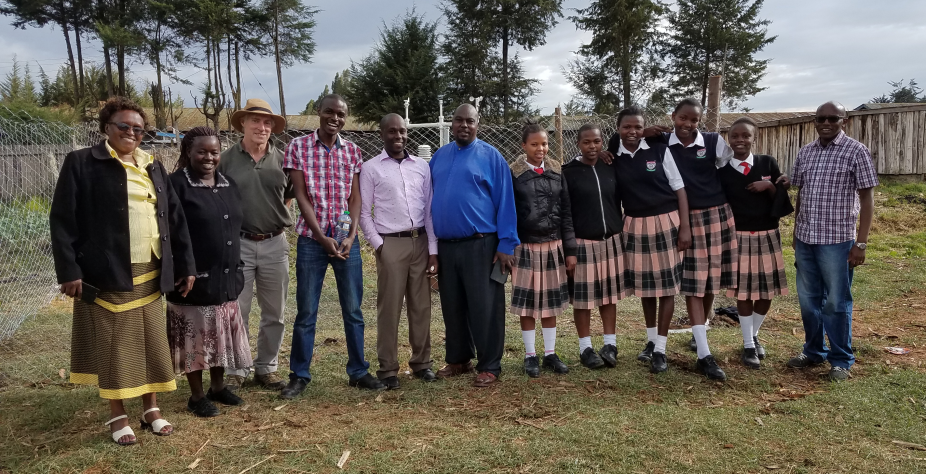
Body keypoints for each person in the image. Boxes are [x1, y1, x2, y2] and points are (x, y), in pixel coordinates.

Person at [50, 96, 195, 445]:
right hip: (107, 269)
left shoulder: (153, 165)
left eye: (138, 129)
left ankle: (151, 409)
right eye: (124, 126)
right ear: (106, 128)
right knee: (115, 343)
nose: (132, 133)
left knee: (150, 342)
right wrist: (69, 270)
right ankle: (117, 413)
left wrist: (185, 264)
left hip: (151, 269)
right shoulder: (82, 162)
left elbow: (174, 218)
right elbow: (62, 220)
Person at [281, 94, 384, 399]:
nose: (335, 118)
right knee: (307, 311)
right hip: (312, 241)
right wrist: (321, 236)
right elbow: (300, 196)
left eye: (341, 115)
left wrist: (351, 236)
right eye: (330, 112)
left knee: (353, 310)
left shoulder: (352, 151)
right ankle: (299, 374)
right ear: (318, 112)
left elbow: (355, 198)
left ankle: (358, 371)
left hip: (345, 243)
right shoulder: (298, 147)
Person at [787, 101, 878, 382]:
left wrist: (860, 243)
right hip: (806, 238)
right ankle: (813, 350)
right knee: (808, 300)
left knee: (836, 302)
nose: (826, 123)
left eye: (832, 118)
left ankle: (840, 360)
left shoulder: (856, 151)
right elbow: (801, 192)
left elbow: (867, 199)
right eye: (820, 118)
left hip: (837, 241)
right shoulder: (806, 152)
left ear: (844, 121)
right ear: (815, 121)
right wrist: (795, 231)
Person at [430, 103, 519, 387]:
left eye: (470, 121)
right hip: (447, 245)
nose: (463, 126)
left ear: (477, 124)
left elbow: (506, 201)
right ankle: (459, 359)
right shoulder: (439, 156)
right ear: (451, 124)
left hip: (482, 244)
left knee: (485, 306)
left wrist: (506, 243)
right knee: (452, 304)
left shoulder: (491, 157)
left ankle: (490, 364)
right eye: (459, 121)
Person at [167, 126, 253, 416]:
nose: (208, 157)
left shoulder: (228, 183)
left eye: (214, 152)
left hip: (226, 275)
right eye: (201, 151)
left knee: (219, 336)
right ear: (188, 152)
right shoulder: (176, 184)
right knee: (196, 339)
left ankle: (218, 387)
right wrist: (184, 267)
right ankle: (196, 395)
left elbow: (235, 226)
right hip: (192, 279)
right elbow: (171, 232)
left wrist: (237, 265)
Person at [608, 107, 691, 374]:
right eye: (626, 127)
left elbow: (679, 188)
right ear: (618, 129)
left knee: (667, 288)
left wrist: (685, 227)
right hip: (634, 225)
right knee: (646, 288)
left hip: (665, 221)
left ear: (643, 129)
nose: (632, 132)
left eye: (637, 127)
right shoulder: (613, 156)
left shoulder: (658, 150)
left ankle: (661, 349)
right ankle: (652, 339)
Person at [359, 113, 438, 389]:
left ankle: (422, 363)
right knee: (389, 308)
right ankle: (388, 368)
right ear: (382, 134)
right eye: (392, 131)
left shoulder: (421, 167)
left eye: (402, 131)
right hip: (390, 242)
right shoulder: (371, 168)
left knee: (421, 306)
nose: (398, 136)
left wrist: (432, 249)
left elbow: (428, 210)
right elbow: (362, 213)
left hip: (420, 240)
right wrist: (379, 245)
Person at [219, 98, 293, 392]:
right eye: (255, 121)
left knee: (275, 311)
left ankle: (267, 367)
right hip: (239, 243)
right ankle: (237, 369)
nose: (262, 127)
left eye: (267, 123)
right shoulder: (226, 159)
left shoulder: (283, 158)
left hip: (275, 243)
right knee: (237, 310)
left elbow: (288, 196)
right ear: (243, 124)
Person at [664, 98, 736, 381]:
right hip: (685, 218)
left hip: (717, 216)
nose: (688, 124)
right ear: (673, 117)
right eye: (683, 118)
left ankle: (700, 332)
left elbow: (730, 170)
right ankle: (705, 354)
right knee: (693, 283)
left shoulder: (713, 141)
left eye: (694, 120)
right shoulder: (663, 144)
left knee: (710, 282)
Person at [719, 117, 791, 369]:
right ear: (729, 139)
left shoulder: (767, 163)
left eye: (745, 136)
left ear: (754, 137)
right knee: (743, 291)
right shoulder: (723, 170)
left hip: (768, 235)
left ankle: (754, 334)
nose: (740, 140)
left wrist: (769, 185)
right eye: (735, 136)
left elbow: (783, 201)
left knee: (766, 291)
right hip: (738, 237)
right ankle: (749, 344)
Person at [509, 121, 575, 377]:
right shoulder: (514, 174)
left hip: (553, 245)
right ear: (524, 145)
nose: (540, 149)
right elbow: (508, 212)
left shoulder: (558, 171)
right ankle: (529, 355)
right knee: (527, 303)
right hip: (525, 246)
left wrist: (569, 249)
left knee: (550, 302)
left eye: (545, 144)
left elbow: (567, 212)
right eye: (534, 144)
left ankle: (550, 353)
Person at [561, 124, 628, 370]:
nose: (592, 146)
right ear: (578, 144)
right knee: (583, 299)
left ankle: (610, 344)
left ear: (602, 143)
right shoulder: (568, 173)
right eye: (587, 142)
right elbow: (565, 214)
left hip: (611, 241)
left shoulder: (610, 168)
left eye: (597, 142)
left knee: (609, 296)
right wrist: (569, 249)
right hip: (582, 244)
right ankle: (585, 348)